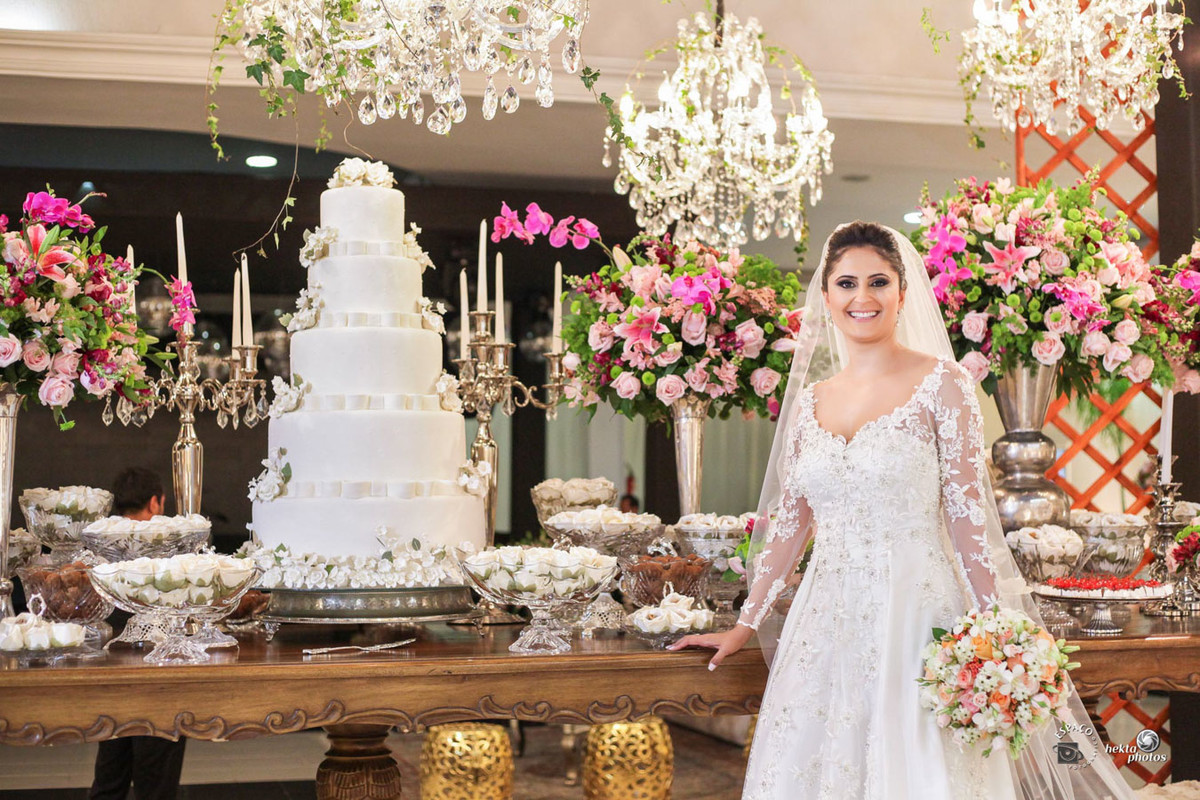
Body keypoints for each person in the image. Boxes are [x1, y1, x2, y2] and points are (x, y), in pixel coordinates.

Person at [670, 222, 1132, 799]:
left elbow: (967, 518)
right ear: (827, 296)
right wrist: (745, 623)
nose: (861, 297)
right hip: (825, 619)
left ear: (903, 293)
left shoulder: (944, 384)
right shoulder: (809, 403)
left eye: (877, 282)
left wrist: (993, 630)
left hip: (918, 612)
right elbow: (790, 526)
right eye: (845, 283)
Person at [89, 467, 187, 800]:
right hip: (161, 673)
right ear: (155, 502)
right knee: (156, 780)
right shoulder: (171, 543)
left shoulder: (100, 545)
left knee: (110, 774)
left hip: (112, 668)